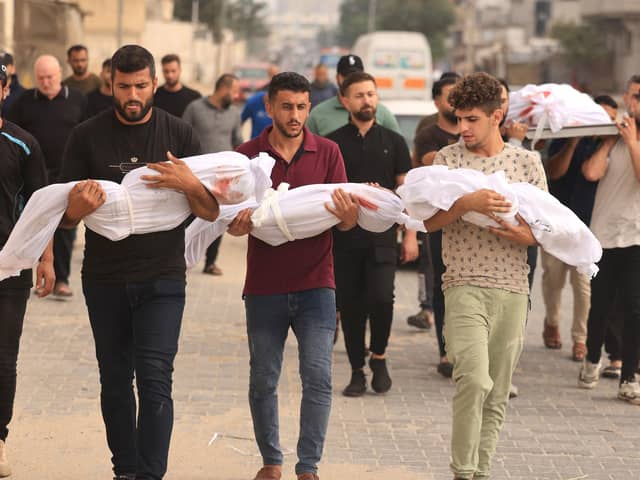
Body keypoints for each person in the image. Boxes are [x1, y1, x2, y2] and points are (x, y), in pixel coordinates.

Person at [58, 44, 220, 480]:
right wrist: (76, 208)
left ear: (153, 84)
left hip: (163, 278)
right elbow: (64, 218)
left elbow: (209, 211)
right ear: (110, 83)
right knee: (114, 382)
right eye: (124, 86)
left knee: (154, 381)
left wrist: (190, 183)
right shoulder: (86, 136)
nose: (132, 95)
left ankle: (150, 476)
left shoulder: (179, 135)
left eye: (141, 86)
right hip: (105, 278)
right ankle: (125, 471)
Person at [230, 72, 357, 480]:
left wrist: (351, 217)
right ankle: (271, 462)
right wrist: (237, 225)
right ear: (268, 107)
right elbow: (229, 220)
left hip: (317, 284)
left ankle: (308, 468)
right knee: (263, 378)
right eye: (287, 106)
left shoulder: (328, 152)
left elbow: (344, 222)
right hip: (264, 285)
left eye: (302, 107)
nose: (296, 115)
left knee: (318, 377)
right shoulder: (247, 156)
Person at [424, 73, 547, 479]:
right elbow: (428, 222)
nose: (463, 129)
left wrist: (522, 233)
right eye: (458, 119)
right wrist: (467, 203)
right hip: (462, 285)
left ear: (498, 116)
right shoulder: (448, 159)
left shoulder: (527, 162)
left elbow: (547, 230)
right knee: (474, 381)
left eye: (472, 120)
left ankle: (481, 471)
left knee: (496, 394)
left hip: (513, 290)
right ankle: (462, 471)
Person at [327, 71, 417, 396]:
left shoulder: (393, 141)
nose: (367, 100)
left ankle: (378, 356)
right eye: (360, 95)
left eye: (371, 94)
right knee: (351, 306)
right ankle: (356, 372)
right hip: (345, 238)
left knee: (382, 299)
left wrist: (409, 235)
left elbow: (406, 193)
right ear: (345, 101)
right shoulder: (333, 143)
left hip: (382, 239)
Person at [0, 63, 55, 478]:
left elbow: (42, 206)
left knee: (3, 358)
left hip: (11, 266)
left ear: (5, 91)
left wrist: (47, 259)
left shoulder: (22, 143)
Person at [579, 74, 640, 405]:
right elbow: (591, 173)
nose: (635, 104)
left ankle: (630, 377)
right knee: (599, 306)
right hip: (603, 235)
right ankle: (591, 359)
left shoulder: (631, 140)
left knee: (633, 309)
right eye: (633, 96)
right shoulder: (612, 137)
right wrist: (608, 141)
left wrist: (631, 143)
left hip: (635, 238)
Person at [542, 95, 618, 361]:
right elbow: (554, 172)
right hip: (557, 222)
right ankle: (551, 321)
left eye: (610, 117)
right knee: (553, 278)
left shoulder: (612, 147)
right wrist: (573, 142)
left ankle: (580, 338)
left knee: (583, 285)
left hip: (589, 226)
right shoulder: (566, 136)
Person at [6, 54, 87, 298]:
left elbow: (86, 135)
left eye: (50, 76)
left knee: (64, 228)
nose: (45, 81)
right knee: (33, 224)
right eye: (40, 77)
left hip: (66, 174)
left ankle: (61, 279)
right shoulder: (24, 101)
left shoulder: (77, 100)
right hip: (32, 174)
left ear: (60, 75)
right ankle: (21, 273)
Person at [407, 73, 461, 380]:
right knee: (441, 286)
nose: (455, 102)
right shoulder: (428, 134)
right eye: (449, 96)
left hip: (470, 224)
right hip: (438, 220)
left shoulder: (473, 132)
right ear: (437, 100)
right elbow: (431, 165)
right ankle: (444, 352)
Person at [182, 73, 243, 276]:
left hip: (223, 179)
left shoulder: (234, 113)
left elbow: (238, 141)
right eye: (234, 91)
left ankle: (210, 262)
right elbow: (183, 135)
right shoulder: (195, 108)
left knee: (218, 217)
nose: (236, 96)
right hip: (196, 174)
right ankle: (180, 257)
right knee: (189, 215)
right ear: (224, 89)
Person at [307, 54, 400, 137]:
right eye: (347, 76)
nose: (352, 81)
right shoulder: (317, 115)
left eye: (357, 76)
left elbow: (396, 145)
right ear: (338, 78)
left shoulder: (382, 113)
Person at [241, 64, 278, 139]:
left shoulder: (284, 102)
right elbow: (240, 121)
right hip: (256, 146)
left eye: (275, 73)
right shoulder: (254, 100)